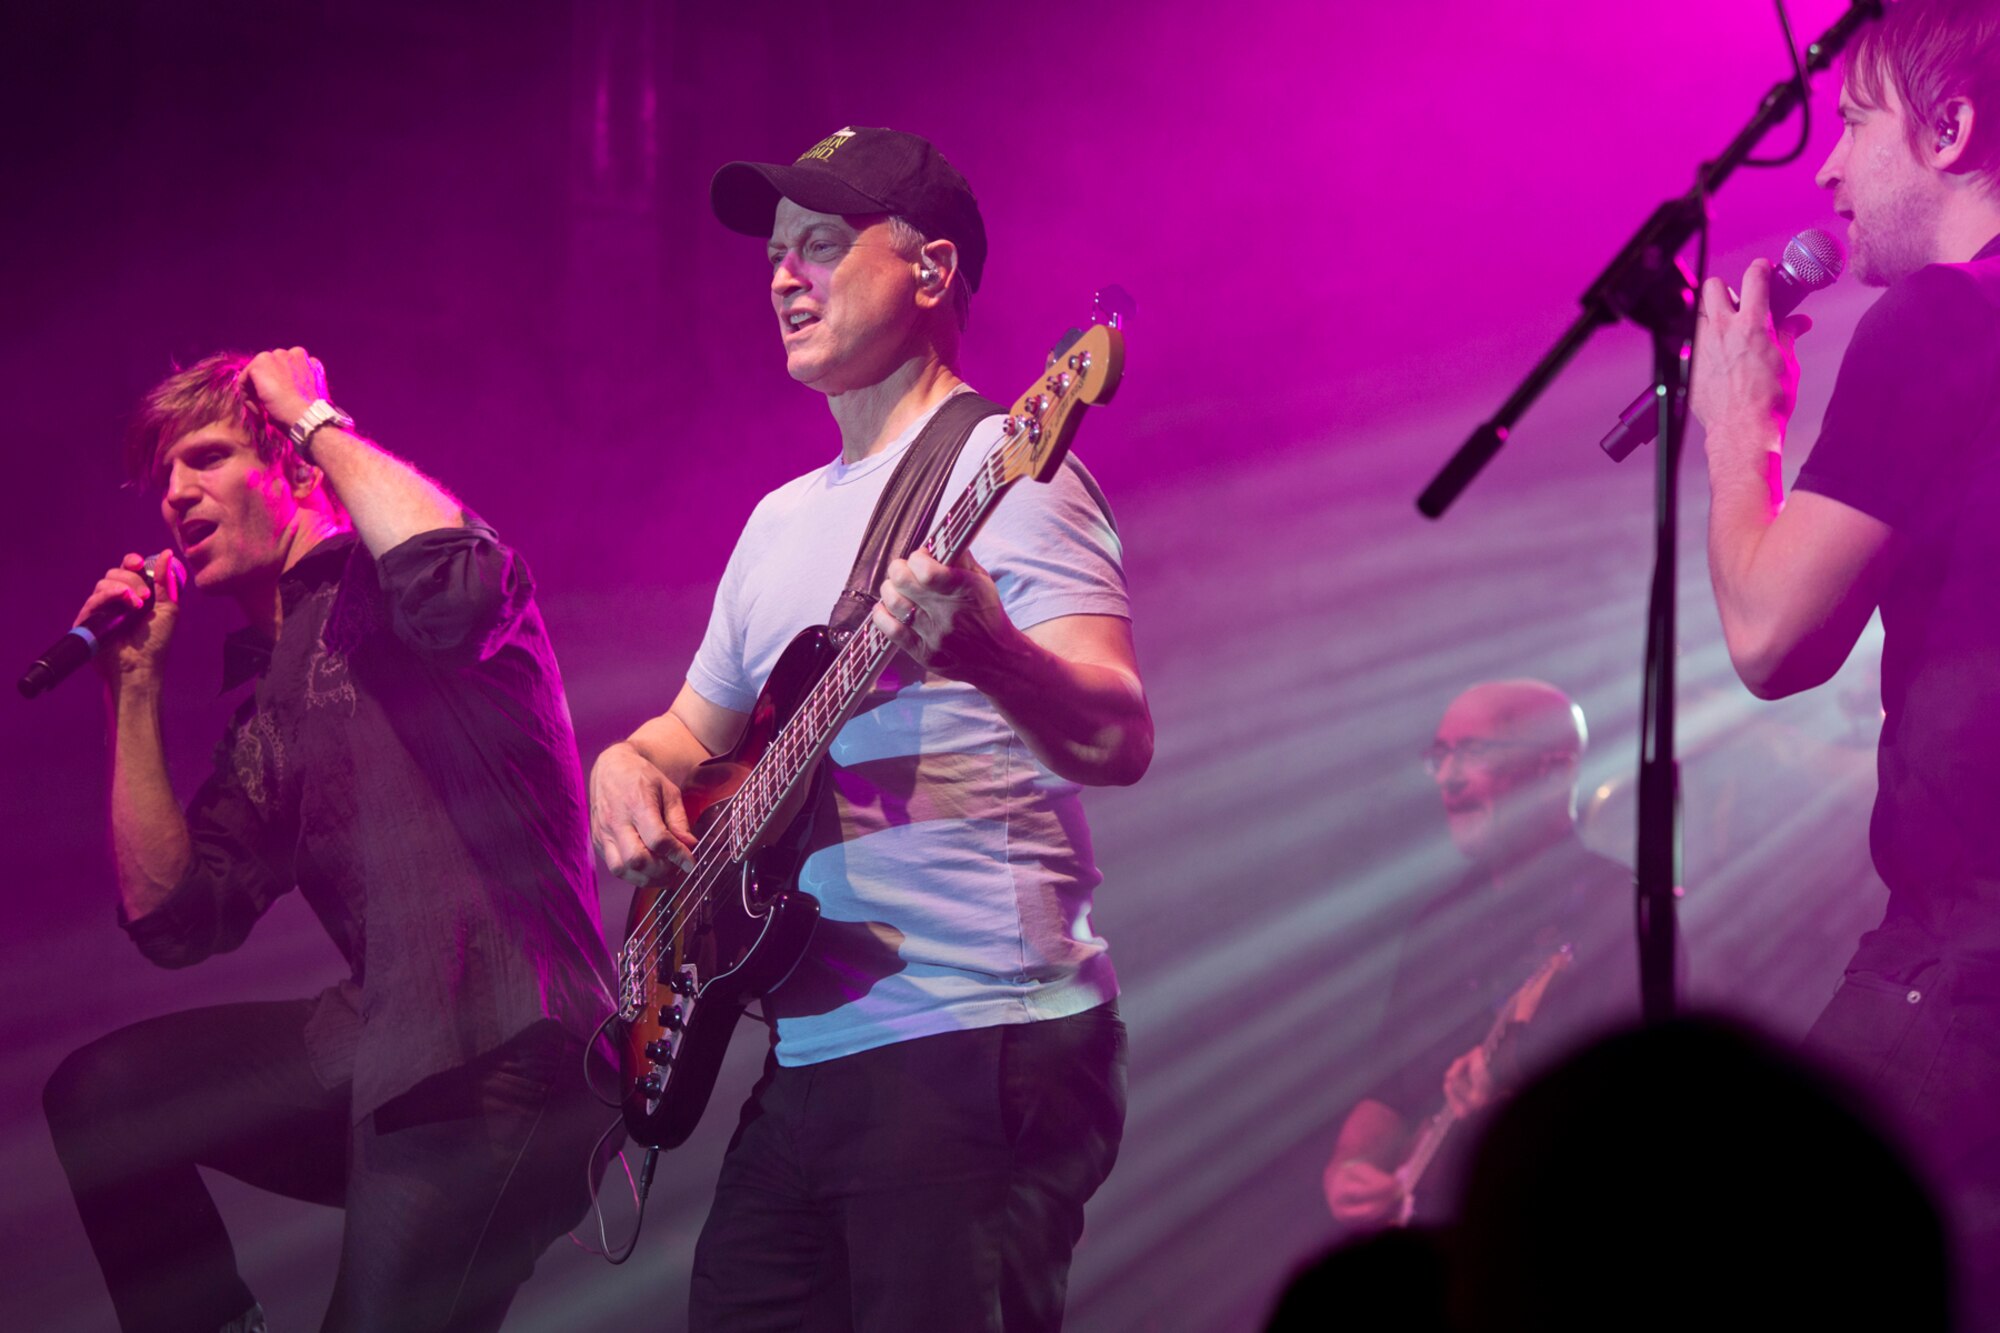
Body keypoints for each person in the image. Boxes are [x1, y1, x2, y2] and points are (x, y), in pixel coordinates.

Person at [588, 126, 1152, 1330]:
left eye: (824, 248)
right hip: (809, 1057)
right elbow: (692, 733)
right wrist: (620, 767)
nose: (783, 275)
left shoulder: (1016, 469)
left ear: (932, 273)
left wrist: (992, 653)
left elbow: (1119, 739)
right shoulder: (776, 520)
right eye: (777, 253)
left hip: (975, 1037)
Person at [41, 349, 619, 1333]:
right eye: (163, 479)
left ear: (297, 470)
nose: (175, 497)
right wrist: (130, 691)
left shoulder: (399, 587)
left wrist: (309, 413)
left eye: (208, 457)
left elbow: (455, 581)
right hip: (378, 1043)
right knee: (106, 1100)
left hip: (501, 1052)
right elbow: (172, 915)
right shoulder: (273, 692)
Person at [1690, 0, 2000, 1320]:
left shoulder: (1938, 323)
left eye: (1854, 124)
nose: (1822, 169)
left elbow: (1771, 638)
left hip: (1961, 960)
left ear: (1949, 129)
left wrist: (1738, 430)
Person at [1323, 681, 1639, 1229]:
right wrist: (1352, 1168)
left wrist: (1512, 1117)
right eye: (1441, 756)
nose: (1448, 778)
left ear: (1554, 770)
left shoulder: (1620, 911)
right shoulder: (1437, 921)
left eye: (1474, 754)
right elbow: (1389, 1092)